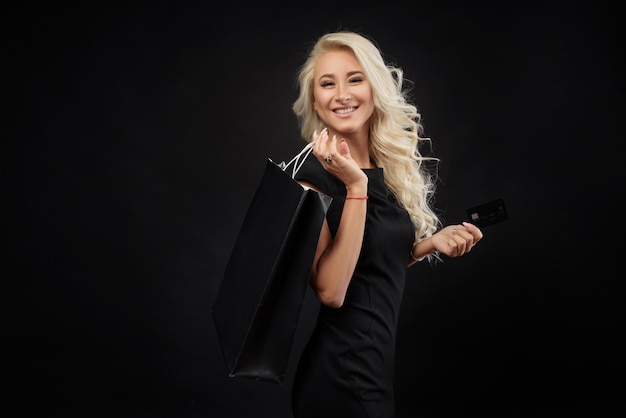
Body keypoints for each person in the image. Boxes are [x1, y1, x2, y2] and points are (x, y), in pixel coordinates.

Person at [289, 31, 483, 418]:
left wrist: (427, 245)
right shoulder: (310, 181)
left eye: (354, 78)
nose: (341, 94)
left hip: (374, 373)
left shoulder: (382, 169)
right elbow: (331, 291)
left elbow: (368, 265)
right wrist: (355, 187)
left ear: (375, 87)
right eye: (327, 83)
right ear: (315, 100)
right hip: (340, 378)